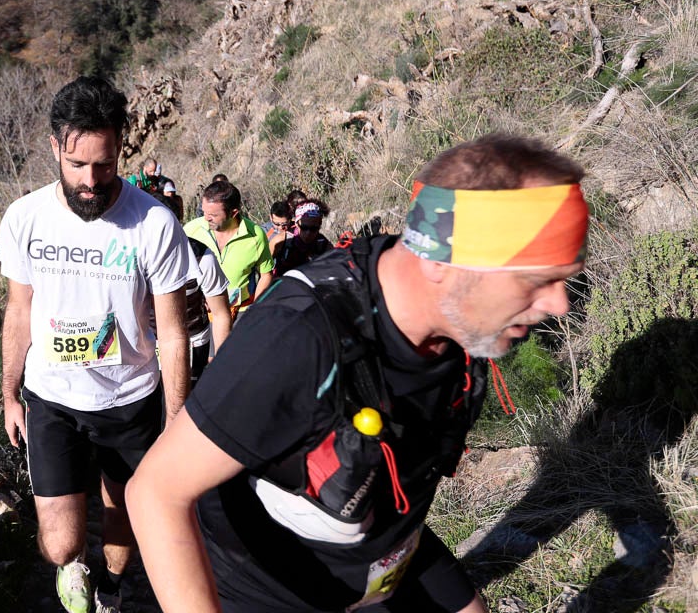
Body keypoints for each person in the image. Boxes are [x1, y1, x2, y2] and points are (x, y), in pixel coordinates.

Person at [126, 133, 590, 613]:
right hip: (268, 589)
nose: (559, 304)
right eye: (536, 279)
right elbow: (156, 492)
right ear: (442, 262)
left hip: (385, 552)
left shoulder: (460, 329)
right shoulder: (297, 337)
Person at [0, 77, 194, 613]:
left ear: (120, 150)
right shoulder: (25, 218)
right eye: (78, 165)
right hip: (52, 398)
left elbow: (173, 333)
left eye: (104, 165)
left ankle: (109, 590)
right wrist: (10, 395)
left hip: (129, 400)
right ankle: (72, 568)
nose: (91, 181)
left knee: (123, 522)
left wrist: (176, 418)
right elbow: (18, 310)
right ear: (55, 146)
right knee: (60, 542)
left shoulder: (154, 223)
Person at [150, 190, 233, 382]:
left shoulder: (203, 257)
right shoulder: (130, 255)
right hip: (148, 346)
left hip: (193, 342)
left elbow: (220, 313)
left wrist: (222, 364)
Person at [184, 180, 275, 317]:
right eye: (204, 212)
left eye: (213, 215)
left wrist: (256, 309)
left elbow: (266, 274)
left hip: (240, 313)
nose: (206, 218)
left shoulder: (255, 236)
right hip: (200, 315)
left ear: (233, 213)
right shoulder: (191, 231)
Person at [273, 200, 333, 275]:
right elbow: (263, 268)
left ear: (319, 225)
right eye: (304, 228)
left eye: (313, 229)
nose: (308, 233)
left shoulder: (323, 245)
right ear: (296, 224)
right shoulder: (282, 240)